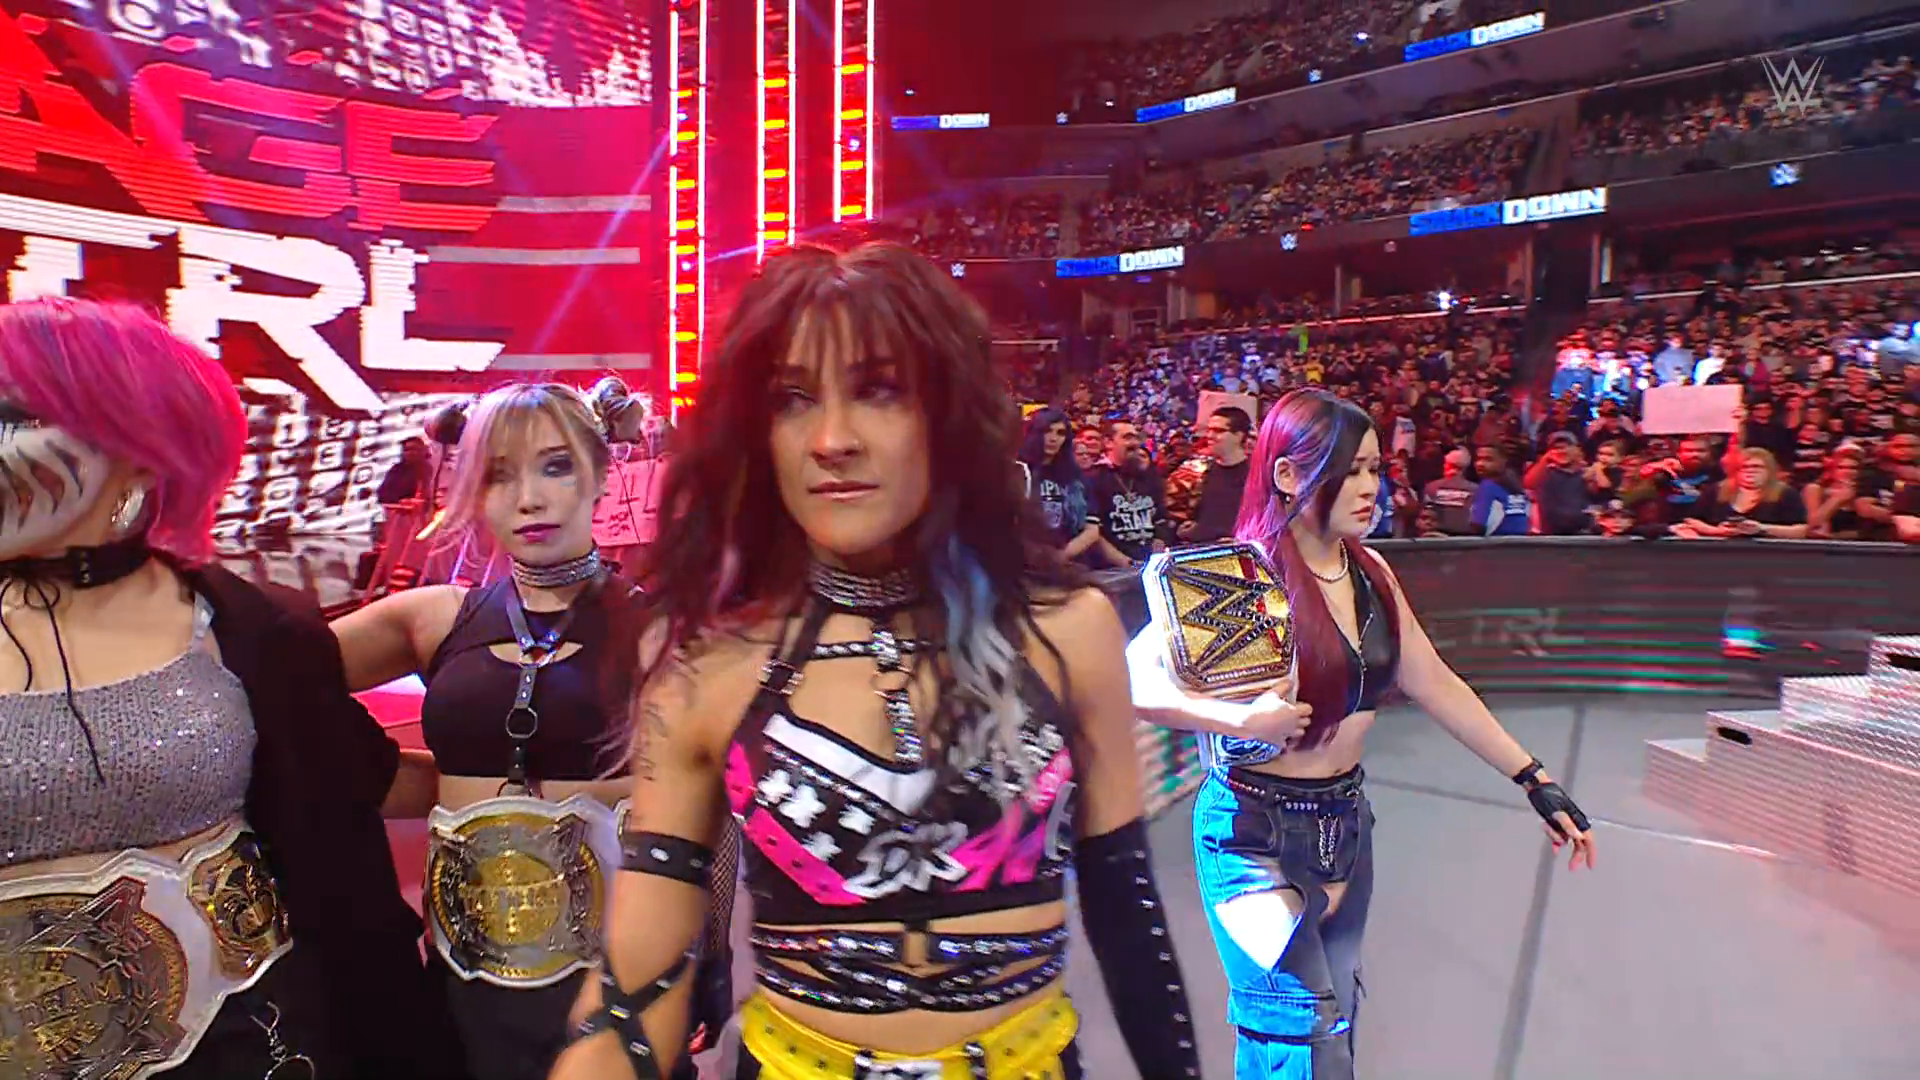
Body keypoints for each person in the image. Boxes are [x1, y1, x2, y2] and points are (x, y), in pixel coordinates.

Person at [551, 241, 1202, 1080]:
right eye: (792, 399)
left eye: (879, 390)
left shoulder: (1069, 632)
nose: (831, 440)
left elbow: (1129, 919)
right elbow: (636, 985)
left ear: (945, 415)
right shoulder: (704, 666)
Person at [0, 297, 460, 1078]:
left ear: (139, 448)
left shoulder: (253, 633)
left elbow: (348, 798)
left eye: (17, 416)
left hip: (253, 1043)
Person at [1129, 389, 1596, 1080]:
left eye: (1375, 469)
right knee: (1298, 1027)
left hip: (1345, 827)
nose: (1369, 486)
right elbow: (1137, 682)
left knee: (1327, 1027)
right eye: (1349, 470)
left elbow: (1434, 680)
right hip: (1250, 834)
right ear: (1287, 475)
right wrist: (1238, 721)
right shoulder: (1242, 576)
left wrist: (1534, 779)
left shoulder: (1370, 572)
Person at [330, 383, 727, 1080]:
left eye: (556, 466)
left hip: (613, 981)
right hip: (463, 984)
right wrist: (387, 777)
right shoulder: (433, 619)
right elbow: (276, 673)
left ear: (602, 473)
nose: (530, 498)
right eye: (500, 475)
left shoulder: (660, 630)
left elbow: (707, 811)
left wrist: (712, 956)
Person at [1017, 406, 1101, 560]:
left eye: (1060, 433)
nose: (1053, 438)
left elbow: (1091, 530)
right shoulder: (1017, 471)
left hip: (1070, 558)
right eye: (1047, 431)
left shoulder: (1076, 477)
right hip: (1024, 558)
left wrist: (1060, 557)